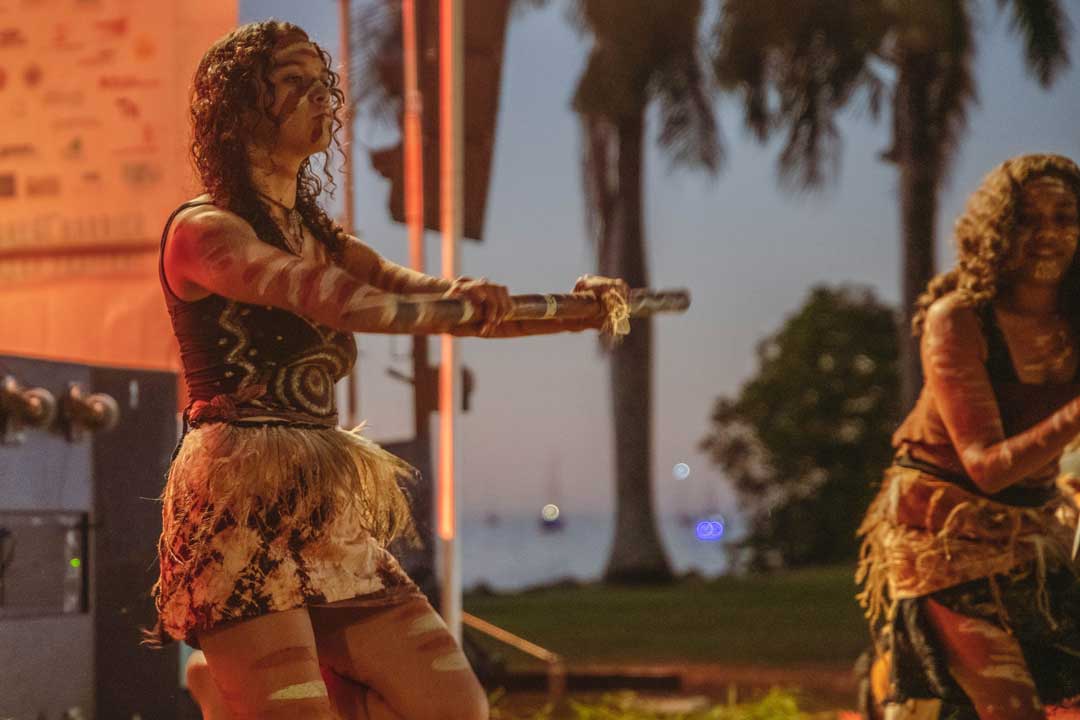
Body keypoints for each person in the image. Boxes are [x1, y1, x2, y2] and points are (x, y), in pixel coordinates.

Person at [150, 20, 627, 719]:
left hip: (319, 499)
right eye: (294, 85)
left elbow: (427, 297)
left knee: (452, 704)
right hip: (237, 497)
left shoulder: (322, 237)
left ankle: (224, 699)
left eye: (323, 85)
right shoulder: (205, 232)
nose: (321, 99)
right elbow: (331, 298)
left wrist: (575, 312)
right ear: (242, 107)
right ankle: (227, 694)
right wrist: (452, 308)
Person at [856, 153, 1080, 720]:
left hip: (1034, 530)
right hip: (945, 542)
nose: (1049, 234)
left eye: (1065, 216)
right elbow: (987, 466)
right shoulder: (958, 320)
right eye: (1029, 219)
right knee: (1013, 708)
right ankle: (897, 684)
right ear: (997, 230)